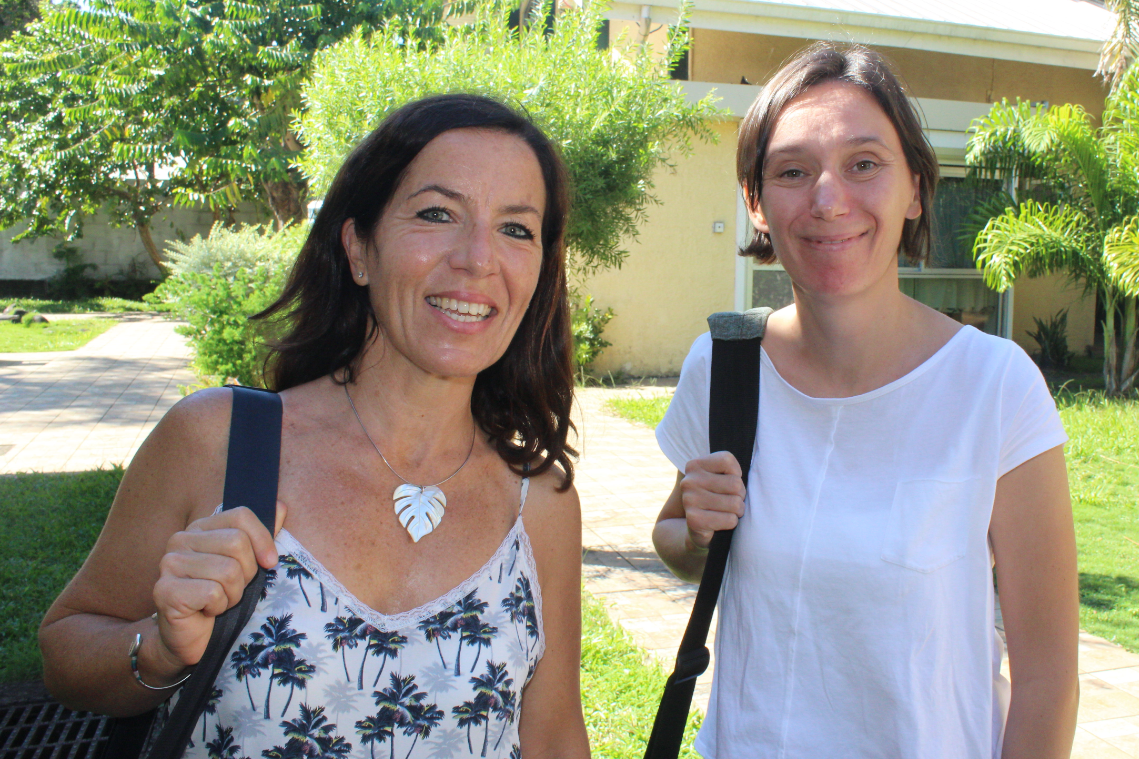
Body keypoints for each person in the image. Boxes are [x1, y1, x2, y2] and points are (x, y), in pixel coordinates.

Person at [40, 95, 591, 759]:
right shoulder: (220, 441)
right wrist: (159, 648)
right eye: (437, 213)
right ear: (358, 248)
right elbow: (66, 651)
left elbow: (554, 735)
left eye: (516, 229)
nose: (477, 258)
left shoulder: (540, 502)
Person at [651, 44, 1079, 759]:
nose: (827, 198)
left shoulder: (994, 387)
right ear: (756, 203)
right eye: (792, 171)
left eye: (864, 164)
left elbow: (1047, 677)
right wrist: (693, 535)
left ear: (914, 188)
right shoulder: (724, 367)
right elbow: (675, 536)